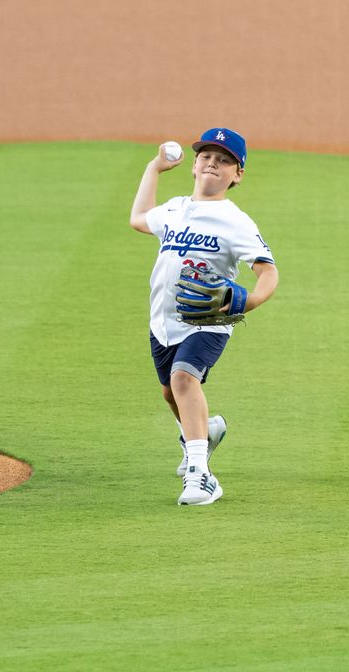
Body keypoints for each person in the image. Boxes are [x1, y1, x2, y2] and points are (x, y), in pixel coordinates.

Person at [129, 128, 278, 506]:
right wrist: (154, 168)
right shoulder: (175, 208)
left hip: (208, 321)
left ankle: (201, 475)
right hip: (162, 321)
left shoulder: (236, 221)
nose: (214, 163)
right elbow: (139, 218)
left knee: (182, 379)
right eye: (207, 156)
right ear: (195, 165)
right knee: (171, 391)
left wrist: (250, 302)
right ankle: (204, 434)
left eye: (224, 159)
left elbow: (268, 271)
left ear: (237, 174)